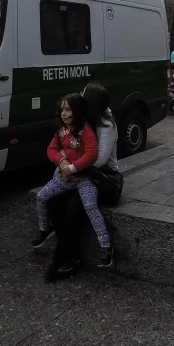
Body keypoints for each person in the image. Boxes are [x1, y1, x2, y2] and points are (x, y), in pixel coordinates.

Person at [45, 83, 121, 280]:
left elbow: (100, 159)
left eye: (82, 95)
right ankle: (71, 253)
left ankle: (61, 259)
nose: (79, 96)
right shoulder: (80, 121)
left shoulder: (106, 125)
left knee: (74, 207)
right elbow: (61, 146)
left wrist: (70, 165)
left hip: (102, 178)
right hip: (78, 175)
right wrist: (64, 161)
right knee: (53, 203)